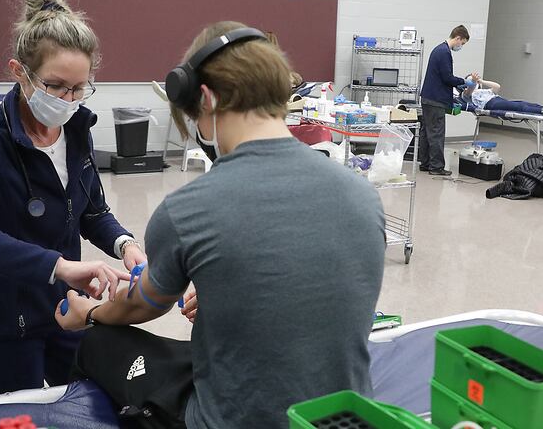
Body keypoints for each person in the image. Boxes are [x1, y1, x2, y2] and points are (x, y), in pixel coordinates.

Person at [56, 21, 386, 429]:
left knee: (97, 342)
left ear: (206, 99)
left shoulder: (188, 211)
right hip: (345, 417)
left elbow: (141, 305)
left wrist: (89, 313)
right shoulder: (364, 195)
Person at [0, 0, 146, 397]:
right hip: (5, 325)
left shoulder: (77, 129)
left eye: (79, 88)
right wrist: (59, 266)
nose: (68, 100)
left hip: (69, 311)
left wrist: (124, 243)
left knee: (88, 407)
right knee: (17, 418)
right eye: (56, 86)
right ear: (20, 72)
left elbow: (90, 210)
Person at [419, 25, 474, 176]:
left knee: (427, 132)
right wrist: (463, 81)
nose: (461, 46)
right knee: (436, 133)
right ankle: (436, 167)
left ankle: (425, 163)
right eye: (462, 43)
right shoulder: (444, 52)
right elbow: (447, 77)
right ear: (458, 38)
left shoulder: (438, 49)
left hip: (428, 98)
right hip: (436, 100)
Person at [461, 78, 543, 116]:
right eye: (471, 81)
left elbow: (497, 86)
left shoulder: (484, 90)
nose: (474, 82)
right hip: (490, 104)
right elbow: (470, 89)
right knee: (519, 107)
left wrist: (481, 81)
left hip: (498, 100)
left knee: (526, 103)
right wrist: (472, 82)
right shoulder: (467, 94)